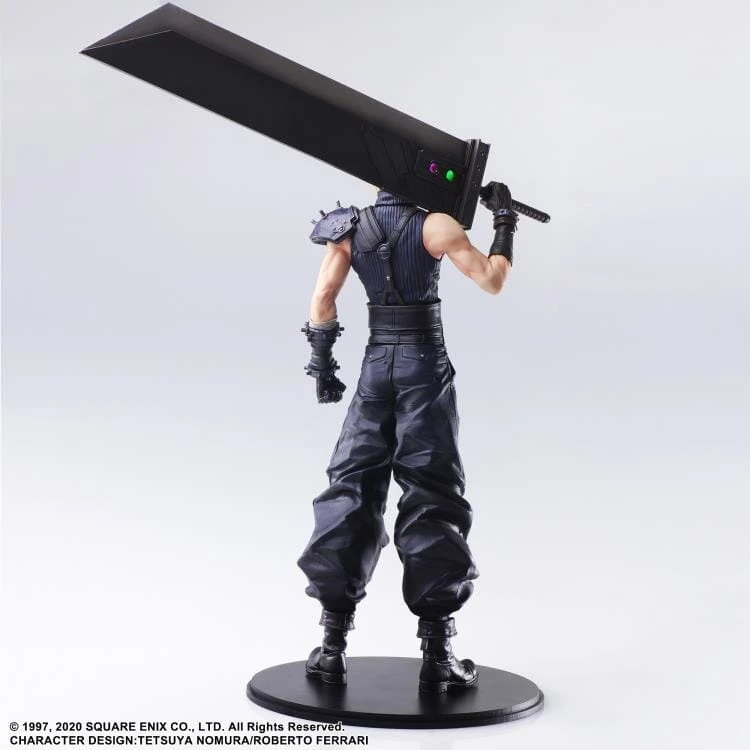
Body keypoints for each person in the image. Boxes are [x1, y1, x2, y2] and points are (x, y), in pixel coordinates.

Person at [297, 182, 517, 693]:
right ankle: (438, 654)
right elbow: (492, 279)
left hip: (376, 365)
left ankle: (332, 649)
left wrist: (323, 368)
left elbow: (323, 298)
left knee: (351, 487)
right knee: (432, 489)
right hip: (424, 362)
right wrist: (504, 223)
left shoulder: (349, 227)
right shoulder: (435, 225)